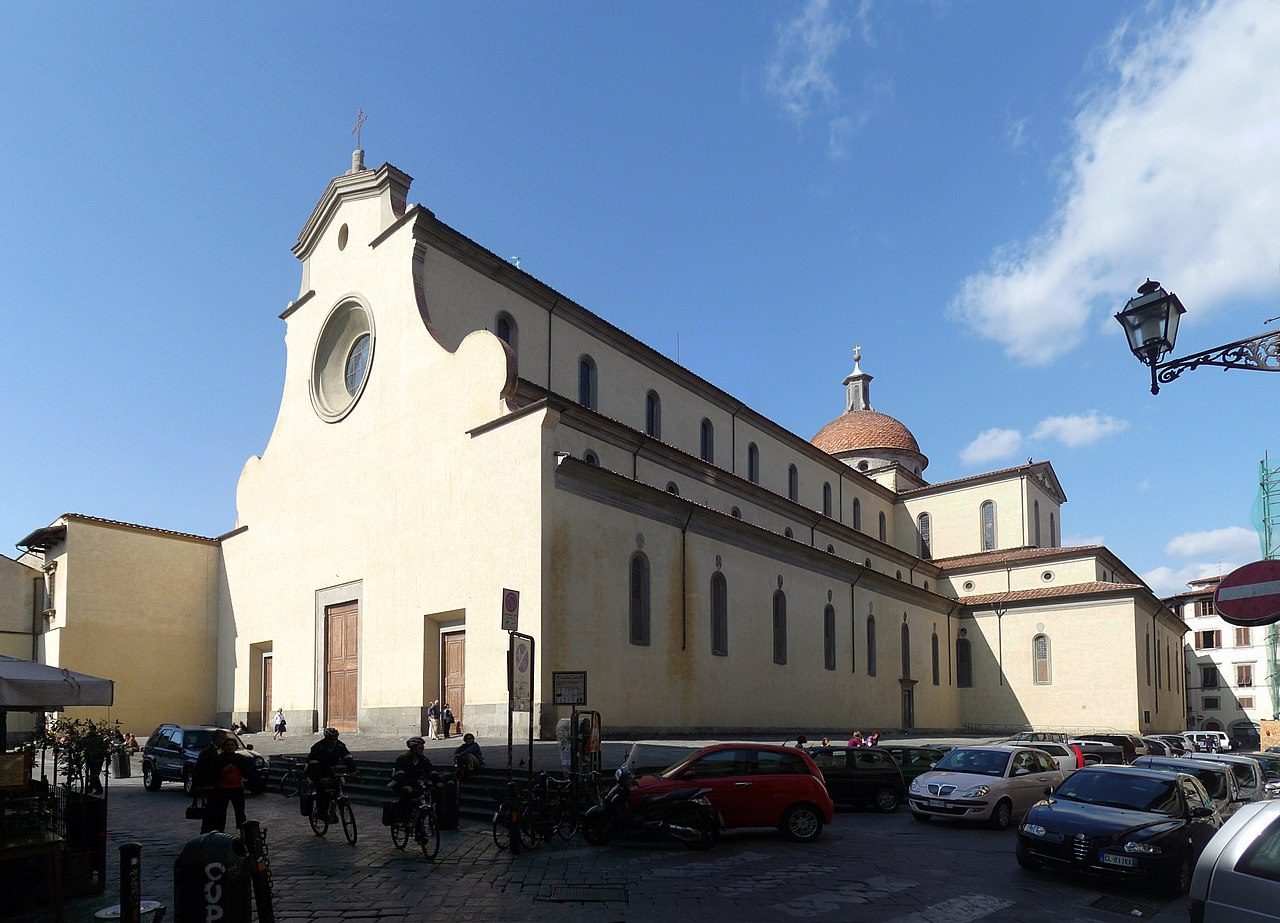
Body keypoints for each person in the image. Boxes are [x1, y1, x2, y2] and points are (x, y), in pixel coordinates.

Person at [206, 735, 260, 832]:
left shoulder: (240, 758)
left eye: (232, 745)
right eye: (227, 745)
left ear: (235, 746)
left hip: (237, 789)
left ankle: (243, 833)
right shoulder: (219, 759)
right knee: (220, 813)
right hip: (222, 789)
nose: (230, 747)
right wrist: (223, 770)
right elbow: (212, 773)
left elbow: (248, 771)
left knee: (240, 813)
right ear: (224, 747)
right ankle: (220, 832)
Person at [306, 727, 357, 820]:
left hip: (329, 769)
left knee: (335, 785)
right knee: (322, 787)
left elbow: (348, 758)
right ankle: (321, 811)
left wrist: (353, 771)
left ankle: (332, 808)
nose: (333, 742)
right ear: (326, 738)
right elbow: (313, 764)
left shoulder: (340, 746)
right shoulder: (317, 747)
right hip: (316, 769)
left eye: (335, 739)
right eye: (330, 739)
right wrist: (320, 778)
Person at [388, 736, 437, 816]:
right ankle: (403, 817)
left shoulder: (423, 759)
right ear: (414, 749)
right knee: (407, 796)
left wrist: (438, 781)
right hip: (400, 782)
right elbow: (400, 774)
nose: (422, 750)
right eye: (420, 748)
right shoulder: (403, 759)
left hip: (414, 782)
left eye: (423, 748)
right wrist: (405, 785)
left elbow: (431, 770)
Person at [194, 729, 231, 832]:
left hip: (214, 786)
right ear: (216, 739)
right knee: (212, 812)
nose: (224, 741)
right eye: (223, 739)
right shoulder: (208, 752)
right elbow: (206, 771)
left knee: (215, 812)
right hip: (211, 787)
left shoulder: (216, 750)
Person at [83, 728, 108, 794]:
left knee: (94, 775)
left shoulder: (92, 741)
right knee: (94, 774)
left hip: (94, 759)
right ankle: (91, 788)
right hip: (97, 759)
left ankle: (98, 789)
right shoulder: (98, 739)